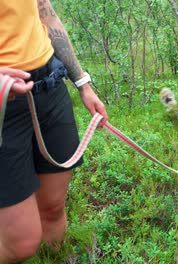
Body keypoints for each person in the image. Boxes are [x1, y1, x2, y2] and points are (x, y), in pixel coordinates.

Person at [0, 0, 108, 262]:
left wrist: (82, 83)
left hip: (49, 87)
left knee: (53, 207)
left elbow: (44, 12)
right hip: (5, 105)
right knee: (21, 243)